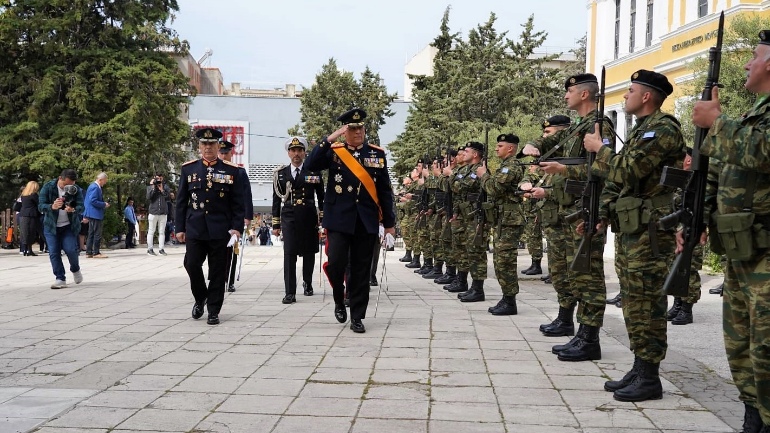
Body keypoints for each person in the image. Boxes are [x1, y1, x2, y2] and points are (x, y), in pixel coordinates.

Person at [583, 69, 683, 401]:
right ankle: (640, 366)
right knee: (633, 300)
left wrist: (600, 149)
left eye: (630, 91)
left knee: (648, 301)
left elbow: (628, 171)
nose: (625, 96)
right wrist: (603, 214)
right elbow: (619, 182)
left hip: (651, 231)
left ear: (647, 97)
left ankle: (650, 375)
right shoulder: (643, 130)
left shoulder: (663, 130)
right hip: (632, 227)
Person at [690, 29, 770, 432]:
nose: (746, 63)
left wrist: (718, 122)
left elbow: (764, 152)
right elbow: (717, 173)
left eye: (753, 56)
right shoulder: (755, 115)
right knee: (740, 344)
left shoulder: (747, 123)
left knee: (767, 347)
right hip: (743, 249)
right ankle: (752, 416)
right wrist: (698, 218)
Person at [522, 74, 614, 365]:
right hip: (571, 210)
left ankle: (590, 338)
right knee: (574, 273)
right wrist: (534, 144)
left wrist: (563, 170)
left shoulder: (601, 126)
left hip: (588, 209)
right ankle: (578, 330)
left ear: (584, 95)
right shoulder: (578, 128)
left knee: (588, 275)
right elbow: (550, 138)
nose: (565, 97)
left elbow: (603, 168)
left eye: (569, 91)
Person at [304, 108, 396, 333]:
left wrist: (390, 224)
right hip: (339, 220)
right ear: (345, 131)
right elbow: (310, 165)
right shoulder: (334, 151)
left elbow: (385, 191)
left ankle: (357, 315)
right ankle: (338, 299)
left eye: (361, 128)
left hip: (366, 220)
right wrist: (329, 139)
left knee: (361, 269)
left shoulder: (376, 154)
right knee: (335, 263)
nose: (358, 133)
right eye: (353, 129)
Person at [176, 128, 245, 325]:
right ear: (199, 147)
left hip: (220, 229)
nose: (208, 148)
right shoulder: (188, 169)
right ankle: (200, 298)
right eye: (204, 144)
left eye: (212, 144)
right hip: (195, 228)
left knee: (217, 271)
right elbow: (182, 201)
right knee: (191, 264)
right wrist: (180, 228)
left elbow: (237, 203)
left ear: (217, 146)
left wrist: (236, 227)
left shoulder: (232, 171)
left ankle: (214, 310)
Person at [272, 136, 325, 303]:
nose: (296, 154)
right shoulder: (280, 174)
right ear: (288, 153)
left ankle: (307, 283)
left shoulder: (313, 172)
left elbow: (322, 198)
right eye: (293, 150)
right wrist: (276, 224)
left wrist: (323, 220)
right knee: (289, 254)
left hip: (309, 215)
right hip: (289, 216)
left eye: (300, 150)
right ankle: (290, 292)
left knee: (309, 252)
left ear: (304, 153)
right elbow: (275, 200)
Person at [478, 134, 527, 315]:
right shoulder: (504, 166)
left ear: (511, 148)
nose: (496, 149)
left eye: (500, 146)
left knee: (505, 261)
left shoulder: (512, 166)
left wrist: (483, 176)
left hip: (510, 220)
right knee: (500, 261)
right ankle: (506, 298)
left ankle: (510, 301)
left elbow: (494, 188)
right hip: (503, 219)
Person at [38, 169, 84, 289]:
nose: (67, 187)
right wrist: (51, 206)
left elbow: (81, 206)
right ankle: (60, 278)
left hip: (68, 225)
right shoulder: (48, 187)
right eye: (65, 184)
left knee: (71, 250)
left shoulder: (76, 189)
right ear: (60, 178)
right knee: (54, 252)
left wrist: (73, 209)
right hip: (51, 226)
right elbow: (40, 205)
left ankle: (75, 269)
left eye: (71, 185)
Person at [219, 140, 253, 292]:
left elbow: (246, 195)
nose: (223, 155)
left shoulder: (239, 172)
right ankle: (218, 278)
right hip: (218, 217)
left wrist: (247, 215)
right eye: (221, 152)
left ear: (231, 153)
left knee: (233, 250)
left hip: (234, 218)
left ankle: (230, 280)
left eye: (226, 152)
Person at [83, 172, 110, 258]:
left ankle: (89, 252)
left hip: (92, 213)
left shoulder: (93, 186)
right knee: (97, 233)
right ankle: (96, 252)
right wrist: (103, 204)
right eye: (105, 181)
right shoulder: (95, 187)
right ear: (100, 179)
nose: (105, 183)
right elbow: (93, 200)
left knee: (91, 233)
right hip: (94, 213)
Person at [146, 172, 170, 256]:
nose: (158, 180)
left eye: (159, 178)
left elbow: (168, 197)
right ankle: (150, 249)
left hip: (163, 212)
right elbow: (149, 197)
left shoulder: (165, 186)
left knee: (162, 232)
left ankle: (161, 249)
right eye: (156, 178)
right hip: (153, 212)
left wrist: (162, 189)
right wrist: (153, 187)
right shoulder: (150, 187)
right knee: (151, 231)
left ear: (162, 178)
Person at [19, 181, 41, 256]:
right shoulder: (34, 195)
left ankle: (25, 250)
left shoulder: (23, 195)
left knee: (24, 232)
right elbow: (39, 204)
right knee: (31, 232)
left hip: (23, 214)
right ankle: (29, 250)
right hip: (31, 215)